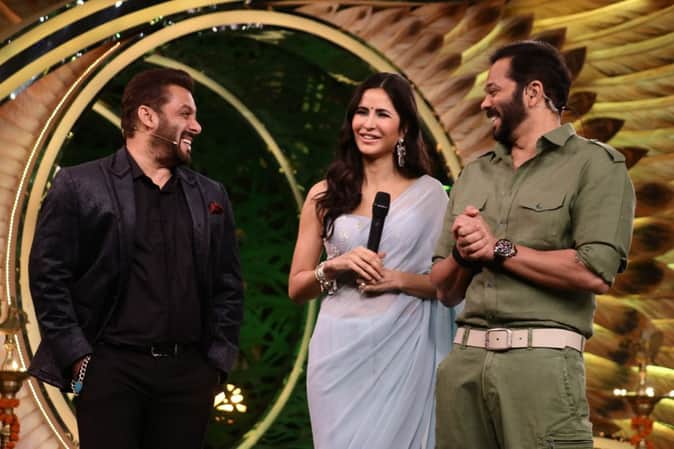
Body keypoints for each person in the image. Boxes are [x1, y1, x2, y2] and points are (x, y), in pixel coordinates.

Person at [430, 40, 635, 449]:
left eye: (494, 90)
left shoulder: (596, 165)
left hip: (541, 369)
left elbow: (594, 271)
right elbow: (444, 290)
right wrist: (464, 252)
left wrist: (498, 249)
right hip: (462, 369)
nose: (485, 103)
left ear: (533, 92)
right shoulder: (474, 174)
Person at [28, 68, 244, 449]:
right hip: (110, 370)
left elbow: (228, 285)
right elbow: (48, 277)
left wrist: (216, 363)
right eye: (185, 114)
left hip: (188, 376)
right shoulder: (80, 185)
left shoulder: (211, 195)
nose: (196, 127)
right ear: (147, 116)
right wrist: (79, 359)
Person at [288, 72, 456, 449]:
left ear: (403, 129)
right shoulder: (323, 195)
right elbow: (297, 288)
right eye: (361, 112)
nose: (368, 123)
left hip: (406, 352)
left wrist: (397, 279)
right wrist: (332, 266)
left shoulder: (430, 196)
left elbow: (447, 287)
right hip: (337, 353)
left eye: (382, 114)